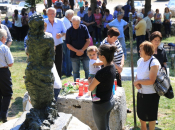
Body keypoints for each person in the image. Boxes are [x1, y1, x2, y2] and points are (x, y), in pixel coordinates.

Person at [88, 44, 116, 130]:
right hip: (110, 100)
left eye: (98, 54)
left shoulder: (101, 72)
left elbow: (90, 88)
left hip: (101, 105)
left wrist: (90, 82)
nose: (97, 55)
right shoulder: (113, 66)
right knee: (106, 127)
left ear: (103, 57)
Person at [134, 41, 161, 130]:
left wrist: (138, 81)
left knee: (151, 116)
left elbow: (151, 80)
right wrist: (137, 83)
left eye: (141, 50)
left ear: (147, 50)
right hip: (141, 92)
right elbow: (138, 74)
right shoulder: (139, 61)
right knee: (141, 115)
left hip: (151, 94)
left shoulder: (154, 62)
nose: (139, 51)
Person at [66, 16, 90, 81]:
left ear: (80, 22)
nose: (75, 26)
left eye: (77, 24)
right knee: (75, 71)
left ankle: (89, 84)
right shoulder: (69, 31)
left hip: (85, 52)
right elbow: (68, 44)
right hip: (74, 54)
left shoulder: (84, 28)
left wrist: (82, 50)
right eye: (74, 24)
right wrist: (77, 51)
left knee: (88, 70)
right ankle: (77, 86)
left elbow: (88, 40)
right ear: (71, 22)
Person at [44, 7, 66, 78]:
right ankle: (49, 80)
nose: (52, 15)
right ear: (47, 14)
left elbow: (65, 32)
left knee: (58, 64)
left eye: (53, 13)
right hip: (47, 47)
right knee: (48, 64)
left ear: (56, 14)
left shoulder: (60, 22)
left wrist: (61, 35)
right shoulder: (43, 22)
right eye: (50, 13)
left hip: (58, 45)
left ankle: (58, 81)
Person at [0, 29, 14, 123]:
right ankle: (3, 115)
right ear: (3, 38)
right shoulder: (4, 48)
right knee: (7, 93)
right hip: (3, 72)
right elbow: (10, 63)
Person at [61, 9, 74, 77]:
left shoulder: (62, 19)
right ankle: (68, 72)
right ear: (68, 15)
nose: (73, 16)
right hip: (66, 41)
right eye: (72, 15)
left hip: (61, 41)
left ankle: (63, 71)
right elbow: (69, 33)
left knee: (63, 57)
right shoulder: (67, 22)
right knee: (68, 57)